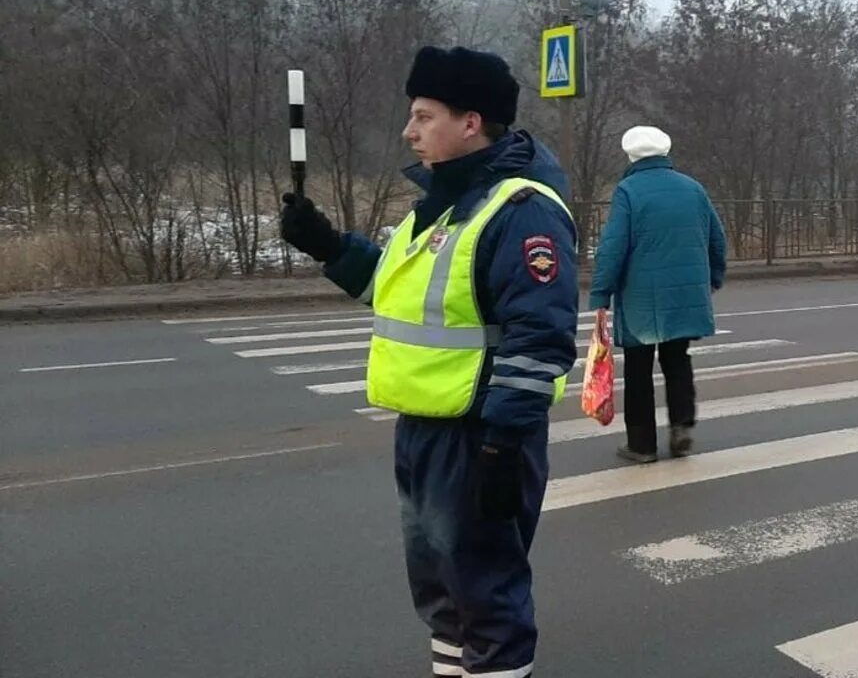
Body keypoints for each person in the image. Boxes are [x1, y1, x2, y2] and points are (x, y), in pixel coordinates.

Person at [278, 45, 578, 678]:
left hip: (480, 435)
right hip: (423, 429)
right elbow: (397, 296)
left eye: (423, 115)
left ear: (471, 121)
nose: (409, 131)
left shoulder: (521, 211)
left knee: (486, 593)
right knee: (443, 592)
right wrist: (328, 245)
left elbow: (539, 338)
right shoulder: (438, 206)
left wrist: (503, 443)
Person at [588, 125, 727, 464]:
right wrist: (715, 277)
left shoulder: (629, 191)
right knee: (677, 359)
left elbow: (612, 247)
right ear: (666, 153)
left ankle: (642, 444)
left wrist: (601, 293)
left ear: (631, 156)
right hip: (684, 294)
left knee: (638, 368)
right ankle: (681, 425)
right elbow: (716, 238)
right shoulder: (693, 188)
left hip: (641, 298)